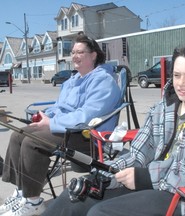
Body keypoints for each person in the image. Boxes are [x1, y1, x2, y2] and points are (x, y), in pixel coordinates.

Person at [42, 41, 185, 216]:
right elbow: (138, 152)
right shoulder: (162, 110)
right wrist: (110, 172)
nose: (180, 84)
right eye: (176, 75)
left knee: (101, 213)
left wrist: (146, 177)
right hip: (149, 184)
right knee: (75, 196)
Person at [0, 32, 121, 216]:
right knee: (19, 134)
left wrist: (53, 122)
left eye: (79, 52)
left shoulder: (103, 81)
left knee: (32, 141)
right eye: (72, 52)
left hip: (87, 137)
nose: (74, 56)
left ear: (93, 55)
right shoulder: (74, 80)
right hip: (67, 129)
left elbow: (86, 116)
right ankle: (22, 193)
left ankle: (33, 202)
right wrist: (46, 116)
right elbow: (61, 106)